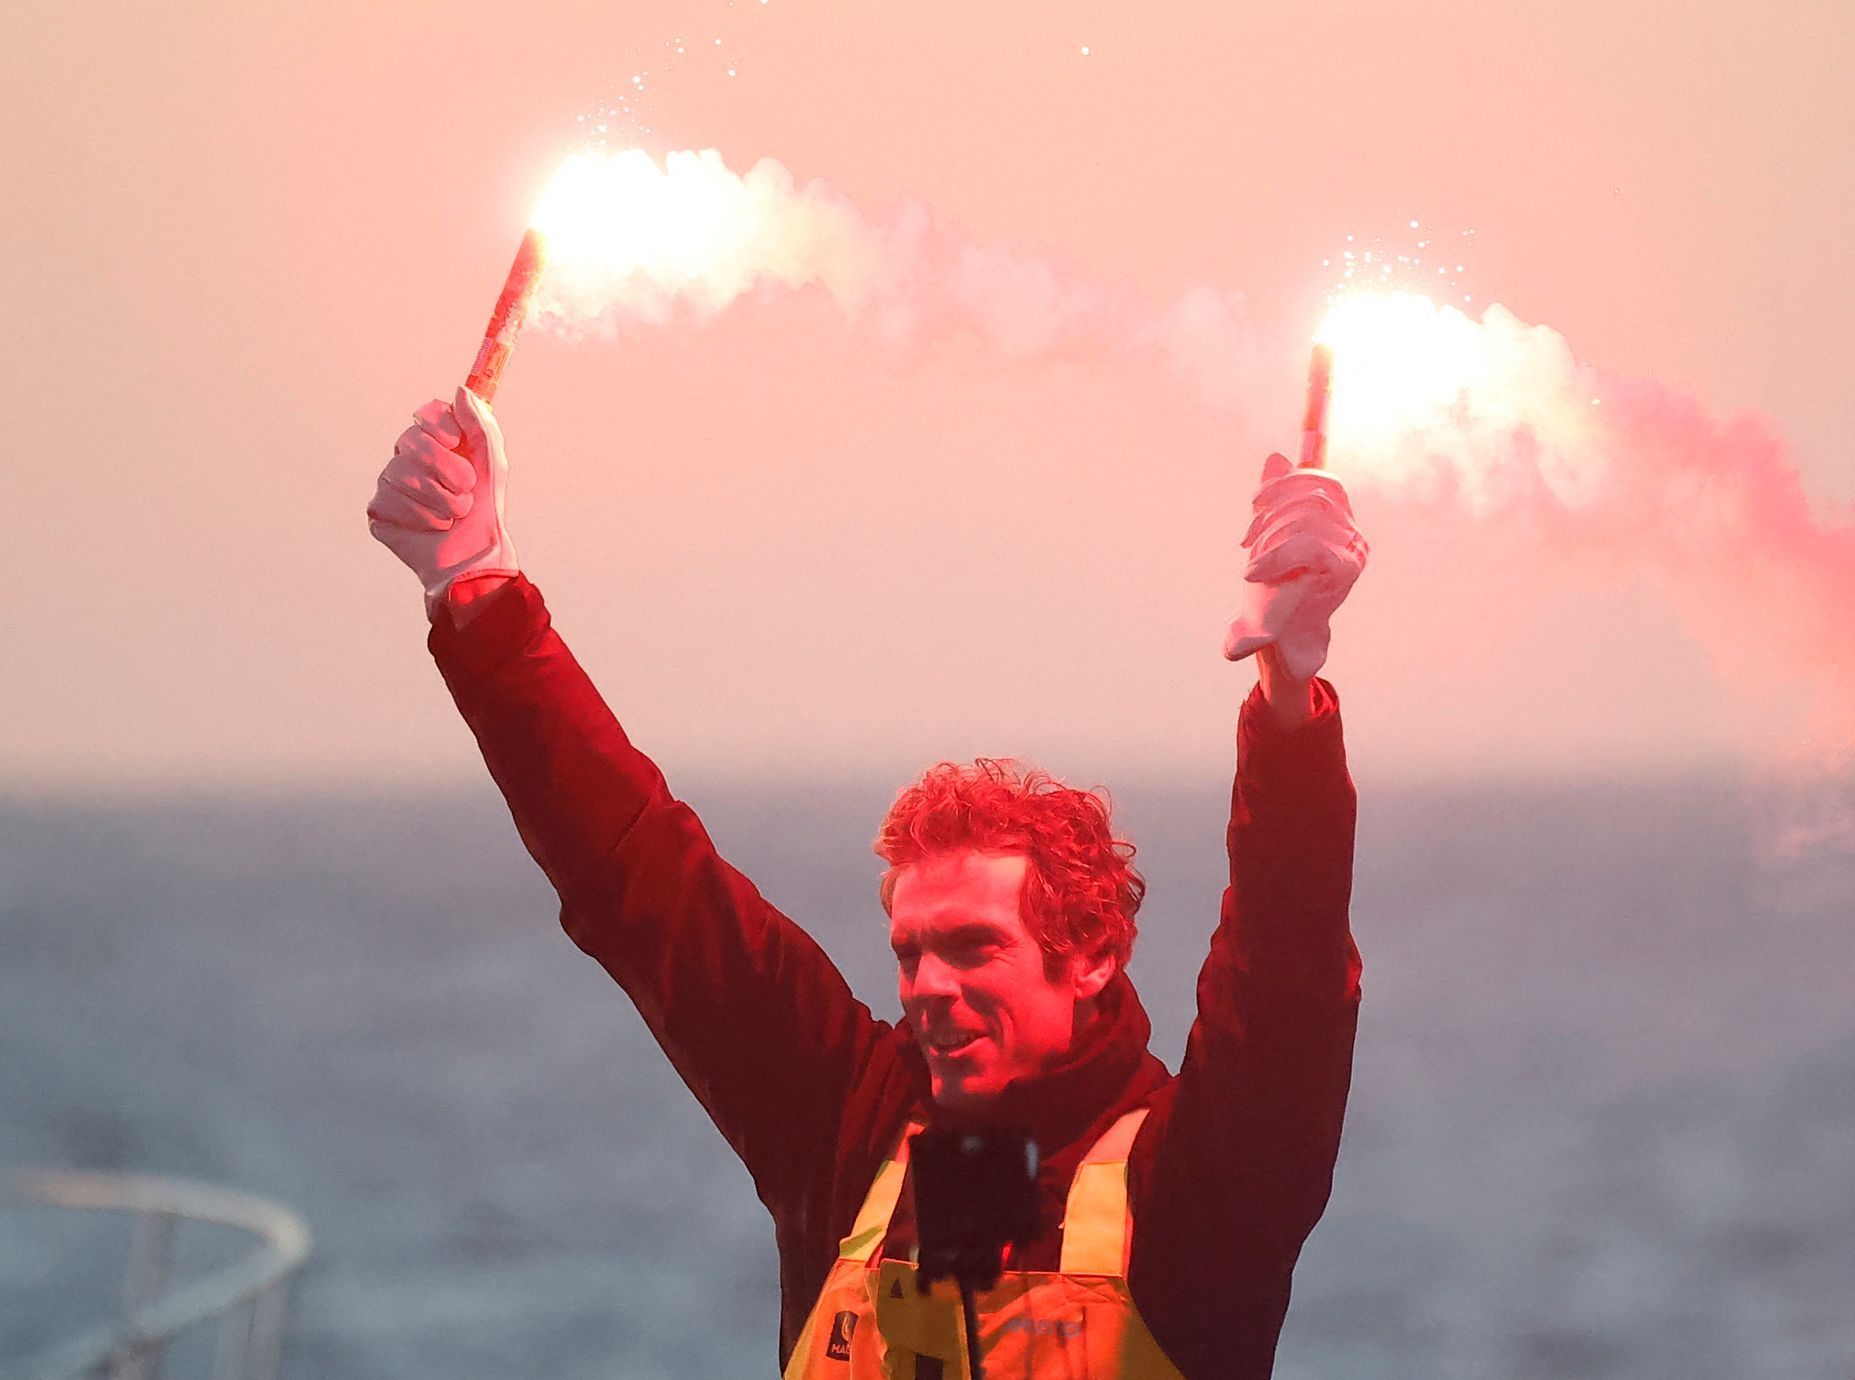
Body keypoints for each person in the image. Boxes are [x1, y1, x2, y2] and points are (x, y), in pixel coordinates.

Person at [367, 386, 1368, 1379]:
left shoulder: (1196, 1192)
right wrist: (479, 592)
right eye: (910, 953)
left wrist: (1286, 696)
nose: (929, 988)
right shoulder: (849, 1128)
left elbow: (1284, 981)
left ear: (1093, 955)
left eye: (975, 946)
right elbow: (640, 878)